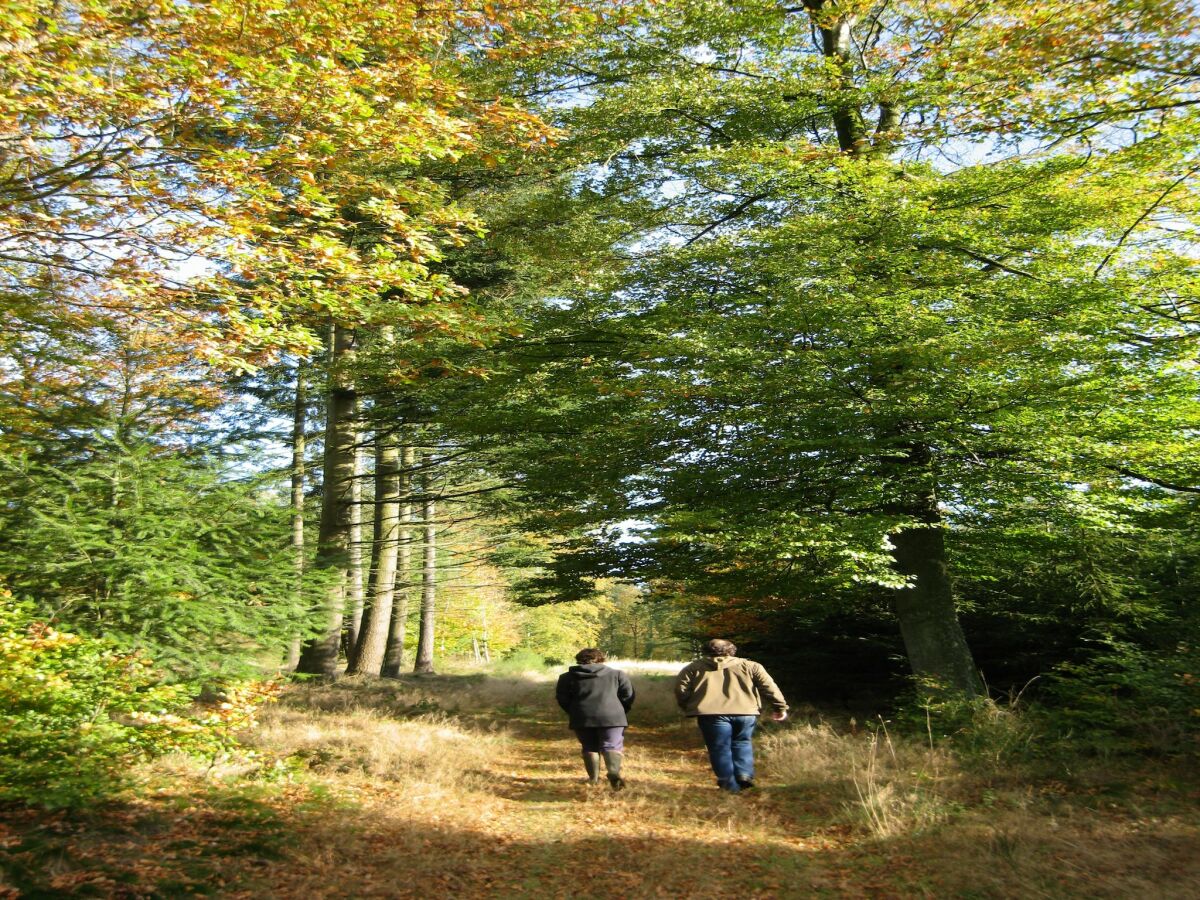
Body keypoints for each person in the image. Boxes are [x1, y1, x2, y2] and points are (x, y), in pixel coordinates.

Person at [674, 638, 788, 793]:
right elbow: (770, 688)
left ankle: (729, 785)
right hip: (745, 712)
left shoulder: (693, 668)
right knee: (742, 742)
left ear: (705, 650)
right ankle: (744, 775)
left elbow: (681, 691)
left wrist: (688, 706)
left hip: (711, 715)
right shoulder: (751, 666)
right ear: (732, 650)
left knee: (719, 748)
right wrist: (780, 707)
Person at [555, 648, 635, 790]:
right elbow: (628, 695)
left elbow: (562, 699)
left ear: (579, 660)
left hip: (582, 716)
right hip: (613, 716)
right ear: (601, 659)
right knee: (611, 745)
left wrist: (574, 711)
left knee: (589, 746)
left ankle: (593, 779)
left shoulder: (566, 677)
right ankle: (613, 772)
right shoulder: (617, 674)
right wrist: (621, 710)